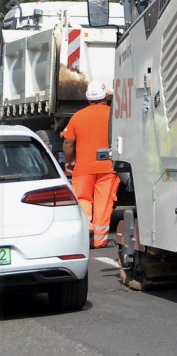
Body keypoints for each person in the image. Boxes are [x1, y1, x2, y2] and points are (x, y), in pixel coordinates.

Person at [62, 84, 117, 249]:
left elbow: (68, 142)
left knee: (83, 200)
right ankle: (99, 241)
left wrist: (69, 161)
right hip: (108, 168)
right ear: (105, 97)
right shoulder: (114, 116)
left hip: (83, 168)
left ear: (87, 98)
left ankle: (85, 235)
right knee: (103, 203)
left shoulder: (78, 116)